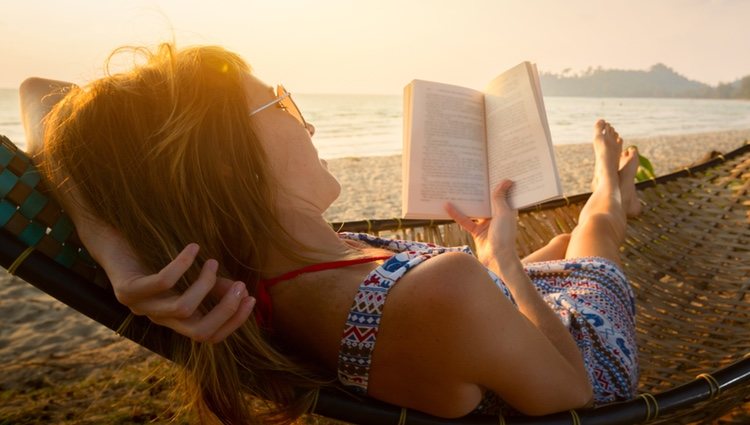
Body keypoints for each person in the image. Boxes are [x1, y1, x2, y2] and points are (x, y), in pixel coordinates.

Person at [20, 43, 641, 424]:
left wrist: (115, 253)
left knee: (563, 248)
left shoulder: (260, 271)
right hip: (577, 341)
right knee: (595, 232)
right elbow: (575, 394)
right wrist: (501, 262)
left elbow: (39, 96)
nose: (308, 121)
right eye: (282, 104)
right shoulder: (444, 290)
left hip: (495, 326)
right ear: (231, 161)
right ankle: (614, 191)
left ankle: (606, 201)